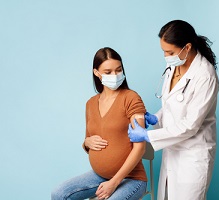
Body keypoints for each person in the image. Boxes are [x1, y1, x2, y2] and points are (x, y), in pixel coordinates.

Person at [128, 20, 219, 200]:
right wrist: (156, 117)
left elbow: (190, 125)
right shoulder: (173, 66)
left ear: (187, 47)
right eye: (164, 52)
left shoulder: (205, 76)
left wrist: (148, 136)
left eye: (170, 52)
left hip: (193, 156)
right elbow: (171, 107)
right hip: (172, 152)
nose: (166, 57)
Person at [52, 47, 148, 200]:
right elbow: (88, 139)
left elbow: (140, 147)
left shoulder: (131, 98)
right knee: (59, 194)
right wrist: (86, 142)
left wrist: (114, 182)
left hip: (131, 179)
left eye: (118, 70)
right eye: (108, 72)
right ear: (97, 73)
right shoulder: (90, 104)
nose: (115, 75)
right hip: (99, 177)